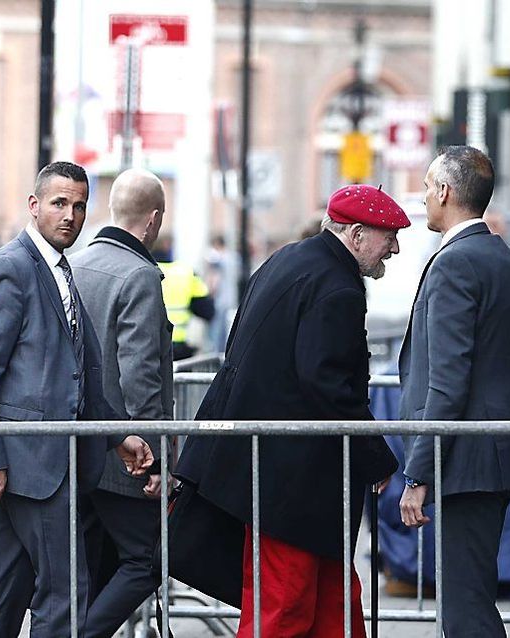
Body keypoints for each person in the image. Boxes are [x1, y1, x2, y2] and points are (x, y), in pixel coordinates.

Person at [174, 184, 406, 637]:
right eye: (388, 236)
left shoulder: (288, 260)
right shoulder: (337, 287)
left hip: (276, 472)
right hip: (293, 480)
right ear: (356, 235)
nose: (394, 249)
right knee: (286, 604)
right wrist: (375, 455)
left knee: (329, 602)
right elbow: (328, 386)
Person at [0, 161, 154, 636]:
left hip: (45, 463)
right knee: (65, 594)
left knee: (0, 596)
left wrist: (117, 435)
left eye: (80, 205)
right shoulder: (11, 267)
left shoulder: (60, 267)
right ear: (34, 205)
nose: (70, 214)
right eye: (59, 203)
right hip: (30, 464)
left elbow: (76, 377)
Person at [398, 146, 510, 637]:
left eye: (425, 187)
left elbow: (447, 383)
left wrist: (418, 471)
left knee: (463, 604)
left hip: (464, 458)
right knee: (471, 592)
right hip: (492, 448)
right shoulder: (505, 258)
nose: (422, 198)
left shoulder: (454, 263)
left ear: (445, 191)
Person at [70, 168, 174, 637]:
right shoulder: (139, 275)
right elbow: (141, 376)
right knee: (147, 559)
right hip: (126, 455)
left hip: (79, 446)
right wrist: (155, 458)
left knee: (90, 565)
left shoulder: (76, 263)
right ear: (152, 220)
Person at [155, 236, 215, 360]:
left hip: (149, 347)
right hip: (179, 350)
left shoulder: (139, 270)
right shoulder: (186, 272)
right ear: (168, 246)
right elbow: (208, 311)